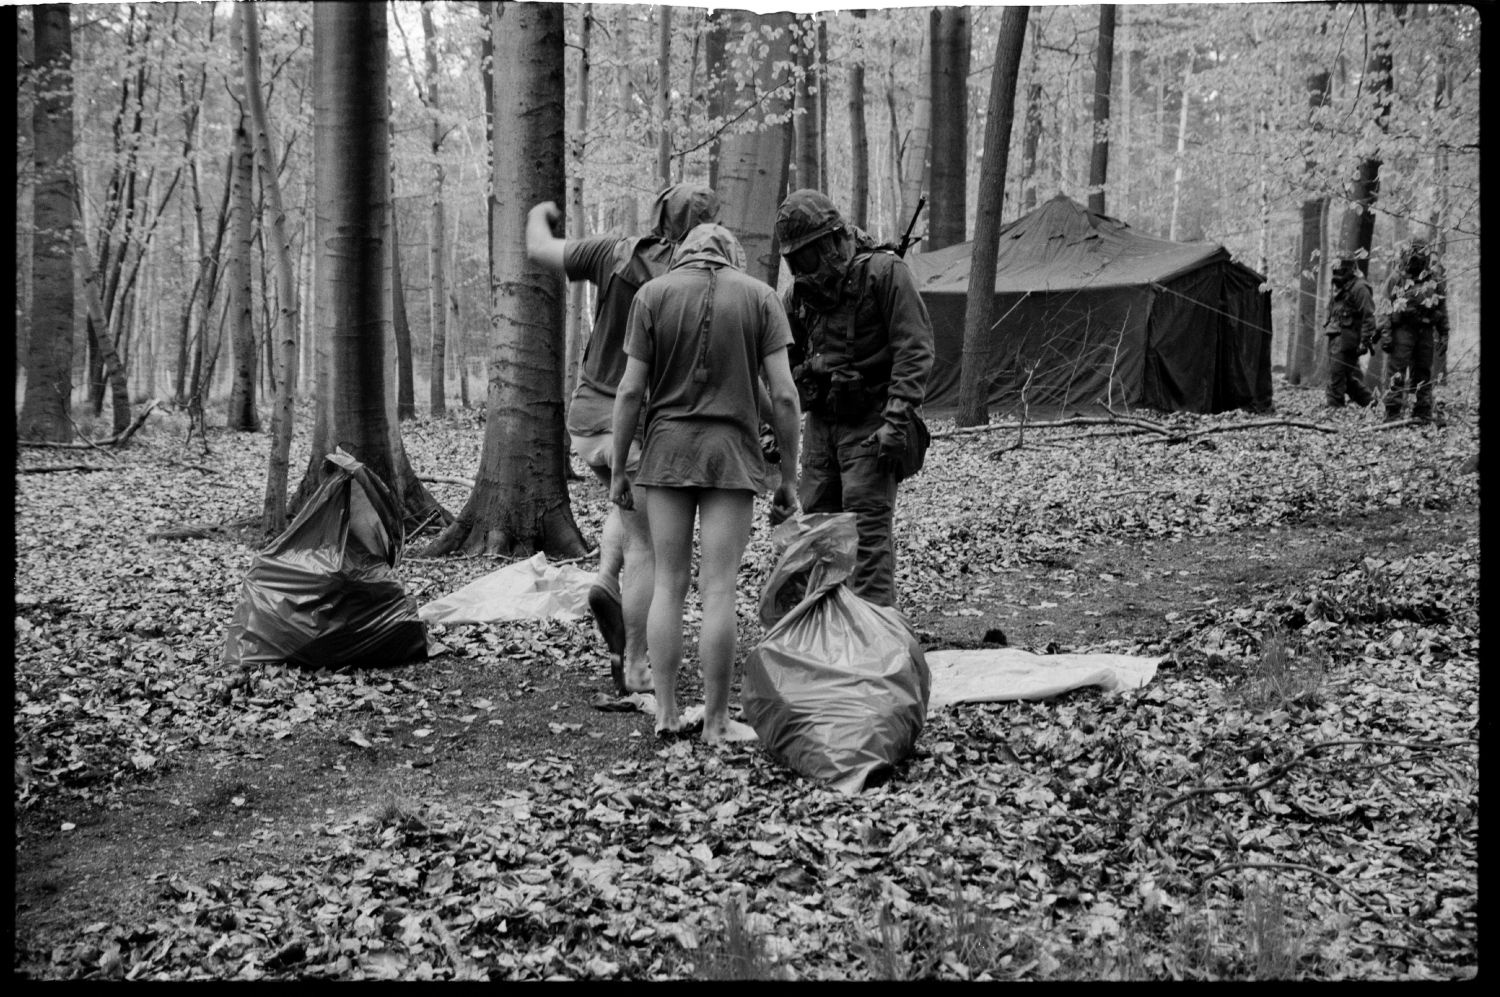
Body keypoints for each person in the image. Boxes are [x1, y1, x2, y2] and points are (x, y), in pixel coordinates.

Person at [609, 223, 801, 744]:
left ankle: (667, 714)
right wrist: (788, 477)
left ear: (685, 255)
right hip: (732, 458)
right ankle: (716, 722)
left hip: (666, 453)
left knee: (669, 584)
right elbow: (782, 396)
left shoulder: (652, 295)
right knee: (719, 590)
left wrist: (621, 467)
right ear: (731, 256)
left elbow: (630, 392)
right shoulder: (760, 298)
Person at [526, 185, 721, 696]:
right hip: (634, 424)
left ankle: (605, 583)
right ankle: (635, 665)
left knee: (626, 507)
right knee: (649, 546)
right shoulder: (697, 281)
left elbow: (540, 249)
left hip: (588, 420)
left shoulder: (614, 250)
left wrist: (538, 212)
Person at [771, 189, 934, 610]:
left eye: (807, 257)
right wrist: (808, 374)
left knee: (867, 540)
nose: (802, 270)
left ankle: (875, 650)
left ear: (831, 241)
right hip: (823, 427)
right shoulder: (798, 299)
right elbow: (783, 366)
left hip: (872, 423)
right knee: (818, 539)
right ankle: (827, 641)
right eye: (795, 261)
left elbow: (914, 350)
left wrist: (896, 419)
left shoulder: (884, 273)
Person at [1380, 235, 1449, 424]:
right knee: (1396, 372)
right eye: (1413, 253)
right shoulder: (1396, 278)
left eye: (1420, 253)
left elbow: (1441, 308)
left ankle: (1422, 412)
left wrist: (1444, 333)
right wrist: (1385, 334)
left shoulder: (1434, 280)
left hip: (1425, 330)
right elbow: (1385, 307)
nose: (1416, 257)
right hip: (1402, 329)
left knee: (1423, 372)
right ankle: (1392, 413)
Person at [1323, 258, 1376, 409]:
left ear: (1350, 270)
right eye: (1335, 270)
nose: (1337, 274)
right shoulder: (1339, 287)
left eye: (1341, 270)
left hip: (1348, 339)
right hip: (1335, 336)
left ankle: (1335, 409)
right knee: (1345, 378)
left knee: (1337, 375)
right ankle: (1372, 404)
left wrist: (1365, 341)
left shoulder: (1360, 287)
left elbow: (1369, 316)